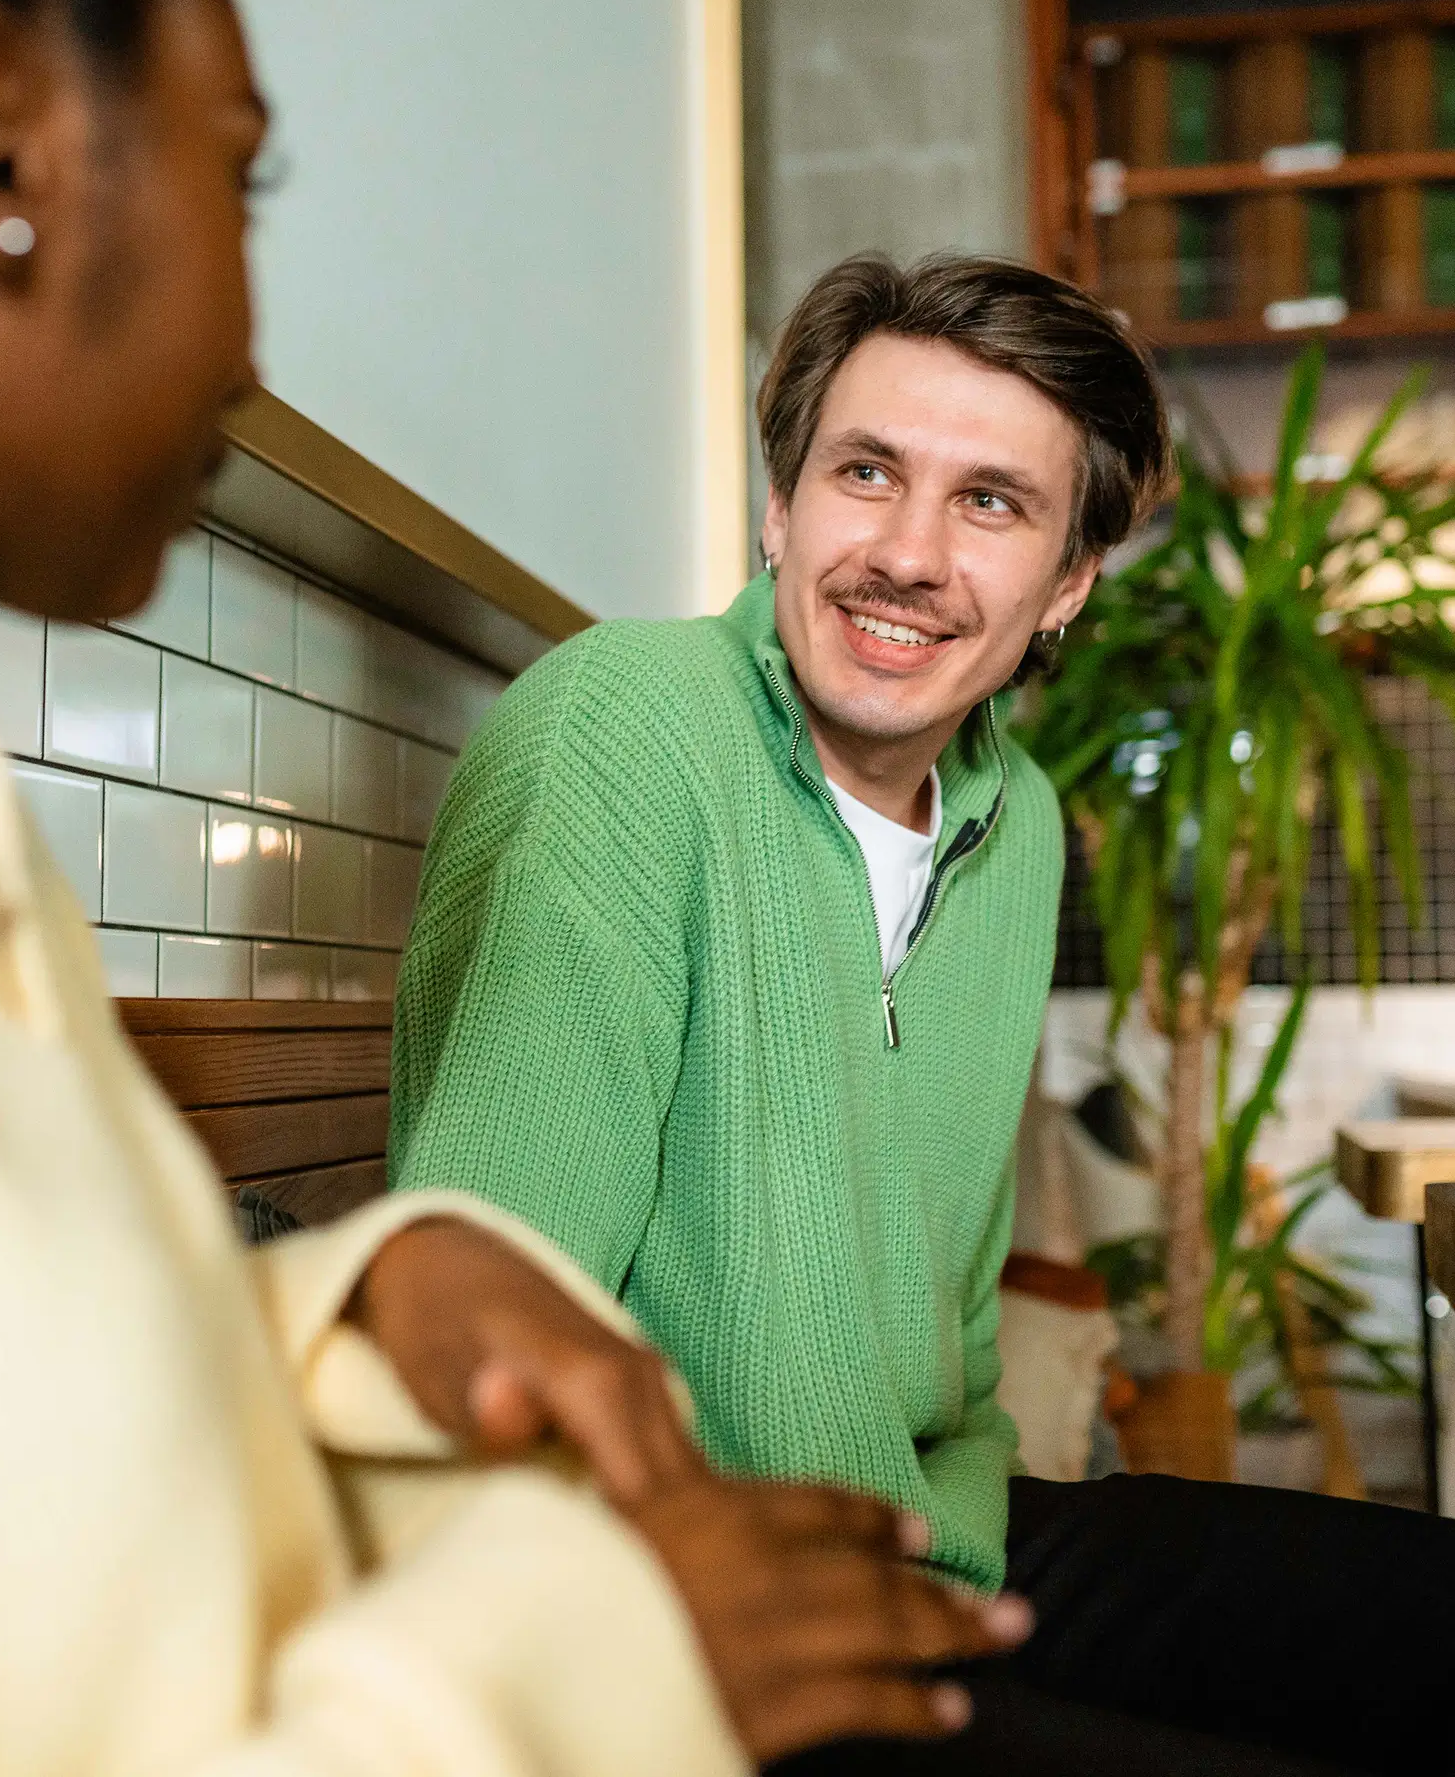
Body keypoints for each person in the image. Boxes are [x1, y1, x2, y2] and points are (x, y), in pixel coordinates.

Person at [0, 0, 1037, 1772]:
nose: (255, 340)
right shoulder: (628, 729)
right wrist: (599, 1653)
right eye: (237, 173)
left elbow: (0, 1446)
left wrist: (354, 1290)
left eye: (997, 505)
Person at [390, 251, 1455, 1775]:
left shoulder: (1011, 825)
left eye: (990, 503)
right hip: (685, 1604)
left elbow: (943, 1326)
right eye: (866, 473)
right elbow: (493, 1313)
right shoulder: (623, 727)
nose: (906, 552)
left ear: (1066, 586)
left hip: (936, 1532)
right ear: (778, 509)